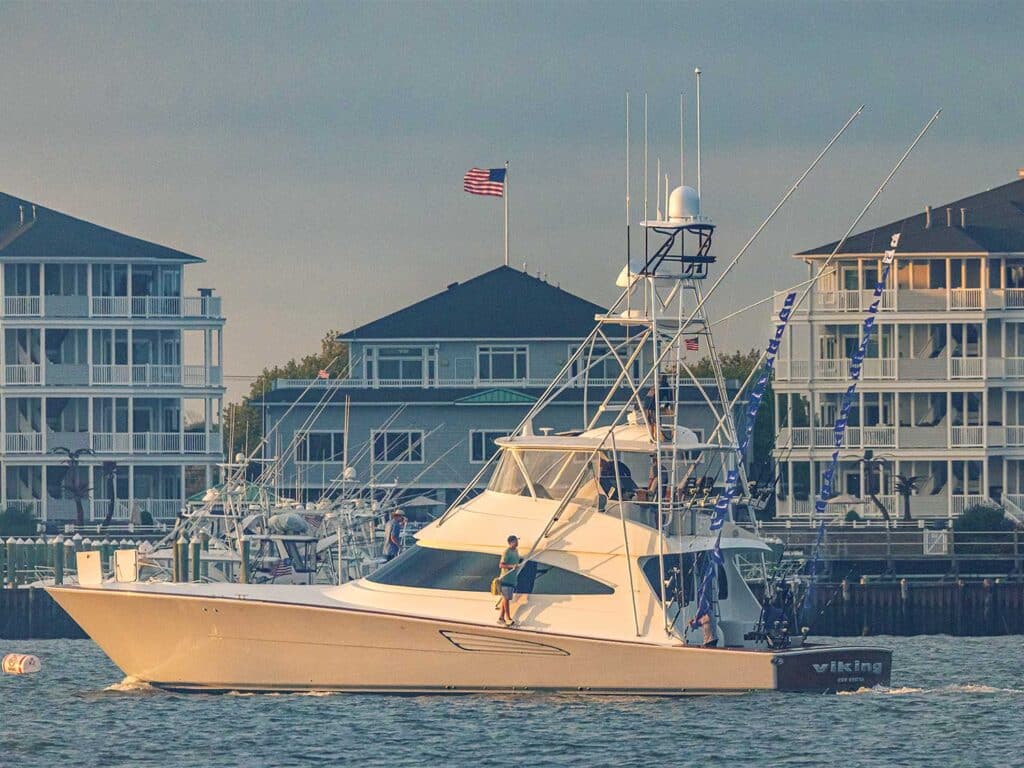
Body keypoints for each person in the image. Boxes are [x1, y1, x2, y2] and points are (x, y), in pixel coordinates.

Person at [497, 535, 521, 626]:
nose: (517, 543)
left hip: (512, 579)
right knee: (506, 598)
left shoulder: (516, 551)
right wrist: (512, 566)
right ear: (511, 542)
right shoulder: (507, 552)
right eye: (515, 541)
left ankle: (501, 618)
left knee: (505, 598)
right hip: (505, 578)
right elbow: (501, 565)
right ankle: (508, 618)